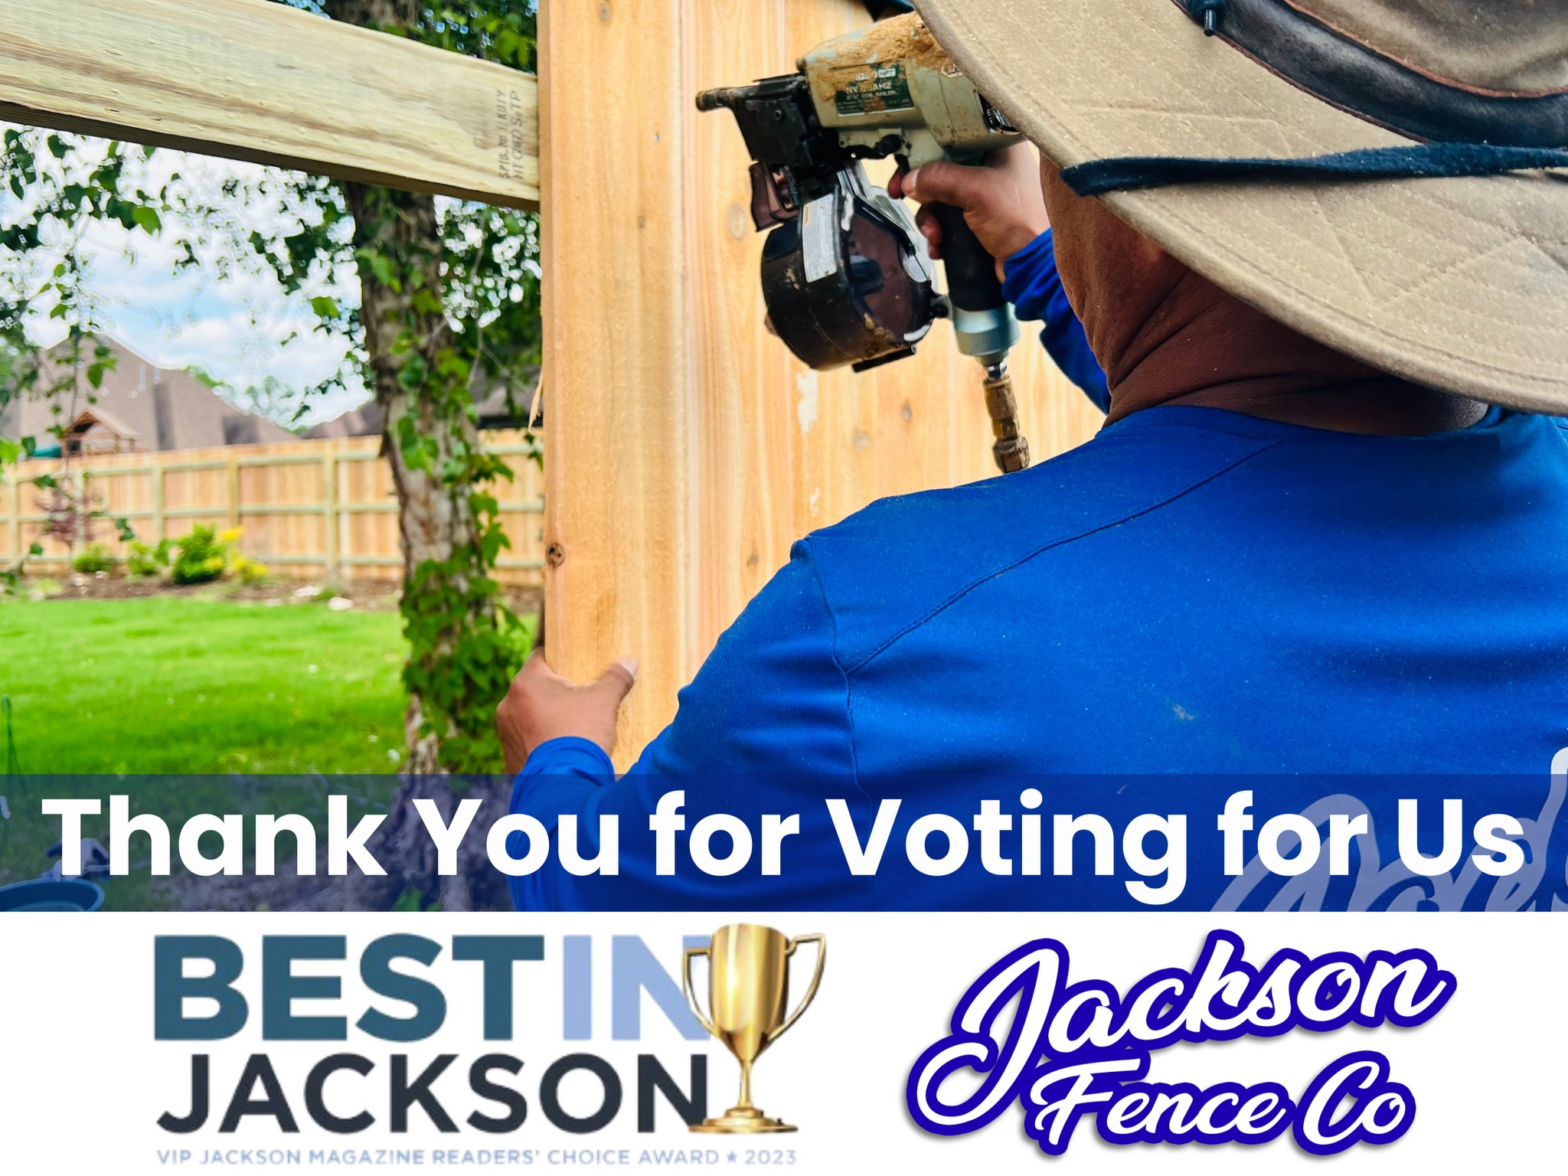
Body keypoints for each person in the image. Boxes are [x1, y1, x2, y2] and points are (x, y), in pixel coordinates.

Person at [496, 0, 1568, 910]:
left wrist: (557, 763)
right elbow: (1276, 441)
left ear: (1136, 218)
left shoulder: (872, 643)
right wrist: (1054, 257)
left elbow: (603, 930)